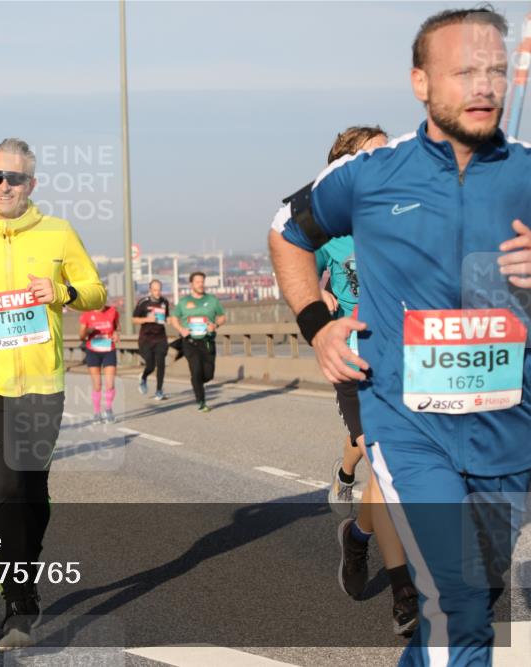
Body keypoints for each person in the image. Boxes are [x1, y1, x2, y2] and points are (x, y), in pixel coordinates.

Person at [268, 8, 530, 665]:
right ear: (420, 81)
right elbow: (286, 231)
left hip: (507, 425)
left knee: (475, 595)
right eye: (465, 71)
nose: (485, 85)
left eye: (496, 71)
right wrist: (318, 323)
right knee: (459, 602)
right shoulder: (369, 175)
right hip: (410, 424)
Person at [0, 138, 105, 651]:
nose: (4, 186)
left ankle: (25, 573)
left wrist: (60, 293)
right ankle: (17, 601)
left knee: (33, 489)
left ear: (31, 184)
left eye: (14, 179)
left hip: (42, 382)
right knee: (7, 485)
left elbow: (96, 291)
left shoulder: (57, 232)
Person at [308, 125, 419, 637]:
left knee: (396, 473)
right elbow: (295, 261)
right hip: (355, 360)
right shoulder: (328, 226)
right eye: (374, 154)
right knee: (381, 460)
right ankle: (404, 593)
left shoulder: (406, 215)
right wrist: (318, 301)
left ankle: (356, 536)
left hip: (408, 356)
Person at [168, 272, 226, 412]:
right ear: (191, 284)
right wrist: (181, 329)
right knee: (196, 370)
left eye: (202, 281)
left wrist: (215, 325)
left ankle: (197, 382)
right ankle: (201, 401)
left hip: (207, 341)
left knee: (208, 374)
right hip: (190, 342)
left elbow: (222, 316)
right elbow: (174, 318)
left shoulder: (212, 300)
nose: (200, 284)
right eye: (197, 282)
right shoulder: (183, 302)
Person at [79, 303, 120, 423]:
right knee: (97, 385)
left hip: (109, 350)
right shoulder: (87, 314)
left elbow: (117, 327)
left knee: (110, 384)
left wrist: (116, 334)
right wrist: (88, 331)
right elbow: (81, 336)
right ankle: (97, 412)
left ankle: (108, 409)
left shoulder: (112, 311)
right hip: (93, 352)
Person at [133, 279, 171, 400]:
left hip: (160, 338)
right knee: (151, 365)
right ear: (150, 290)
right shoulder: (143, 302)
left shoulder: (165, 302)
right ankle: (143, 377)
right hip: (146, 339)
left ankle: (159, 391)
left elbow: (167, 317)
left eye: (159, 290)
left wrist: (168, 320)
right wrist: (147, 320)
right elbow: (134, 319)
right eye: (155, 290)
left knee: (161, 364)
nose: (157, 292)